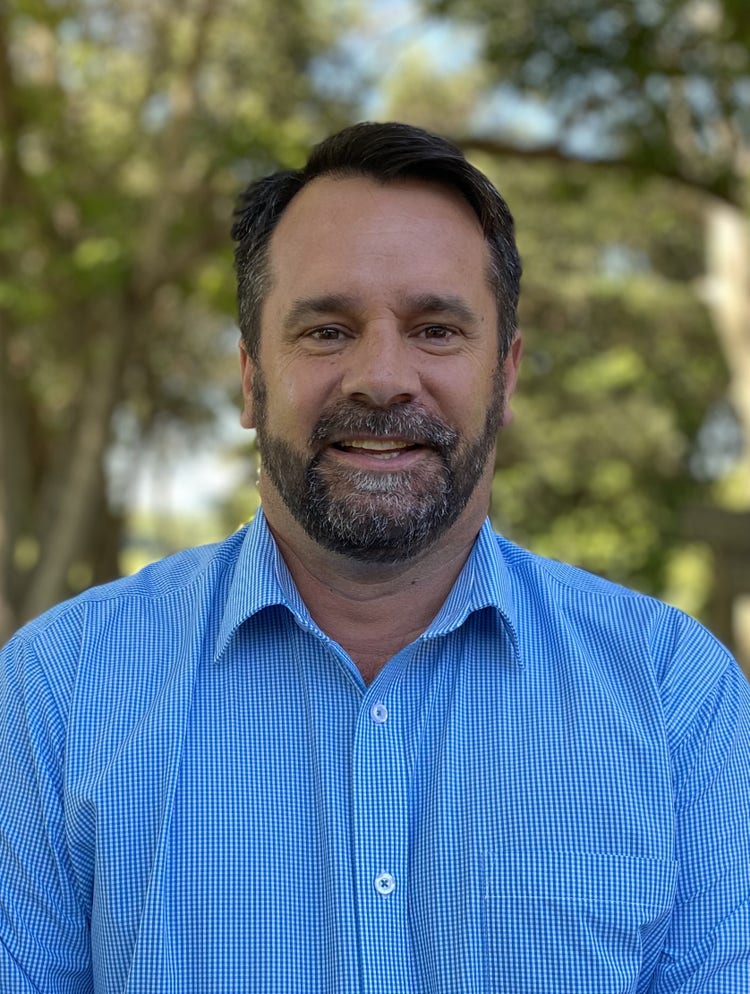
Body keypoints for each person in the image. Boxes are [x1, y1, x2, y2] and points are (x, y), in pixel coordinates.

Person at [1, 122, 748, 993]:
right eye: (326, 330)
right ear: (250, 380)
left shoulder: (676, 696)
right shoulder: (54, 693)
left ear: (504, 377)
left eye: (435, 330)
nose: (382, 377)